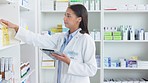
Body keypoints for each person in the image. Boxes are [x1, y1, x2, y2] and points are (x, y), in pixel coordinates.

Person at [0, 4, 97, 83]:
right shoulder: (61, 37)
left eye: (68, 16)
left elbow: (91, 69)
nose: (64, 18)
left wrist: (69, 62)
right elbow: (38, 39)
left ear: (79, 19)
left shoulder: (86, 40)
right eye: (64, 15)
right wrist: (16, 28)